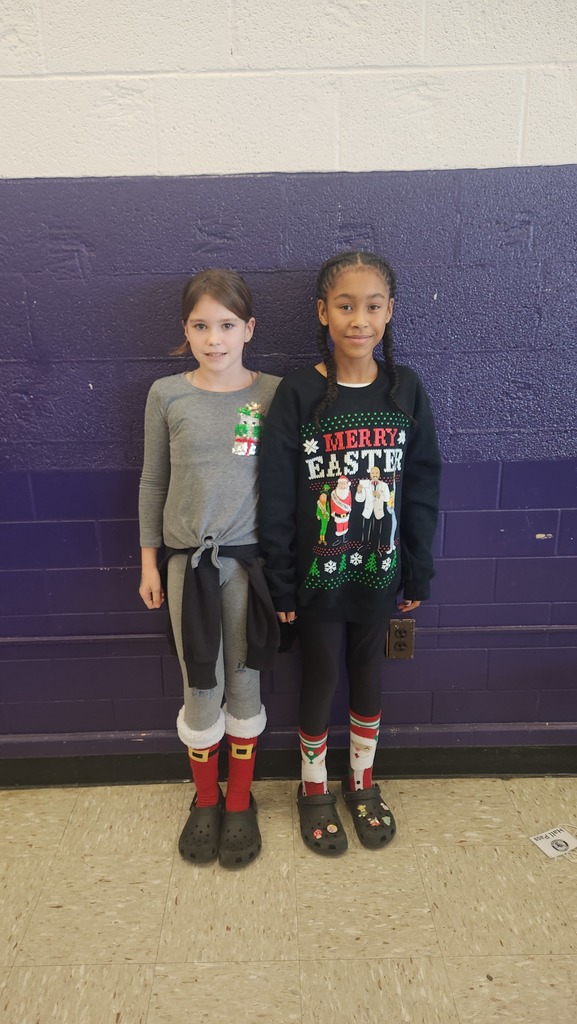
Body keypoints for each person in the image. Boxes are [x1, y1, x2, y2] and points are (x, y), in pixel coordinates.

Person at [259, 251, 440, 856]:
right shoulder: (299, 391)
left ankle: (361, 780)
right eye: (344, 305)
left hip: (378, 573)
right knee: (320, 676)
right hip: (318, 579)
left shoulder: (404, 388)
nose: (358, 319)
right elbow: (279, 494)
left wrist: (417, 566)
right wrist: (281, 581)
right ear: (323, 312)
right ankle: (313, 788)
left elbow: (420, 487)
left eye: (372, 305)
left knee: (368, 673)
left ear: (389, 312)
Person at [138, 269, 280, 869]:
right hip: (186, 567)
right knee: (202, 684)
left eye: (226, 325)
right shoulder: (166, 395)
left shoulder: (274, 393)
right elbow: (153, 481)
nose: (214, 338)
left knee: (244, 682)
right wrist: (150, 562)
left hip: (250, 568)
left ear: (249, 329)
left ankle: (241, 802)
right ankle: (205, 799)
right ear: (185, 331)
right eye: (201, 325)